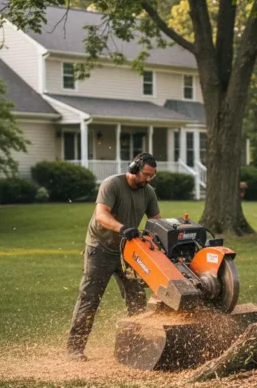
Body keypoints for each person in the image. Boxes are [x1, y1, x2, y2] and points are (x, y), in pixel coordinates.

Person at [67, 152, 161, 361]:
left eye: (151, 176)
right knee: (90, 298)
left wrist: (161, 237)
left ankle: (134, 345)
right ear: (134, 168)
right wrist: (123, 228)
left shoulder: (148, 192)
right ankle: (75, 348)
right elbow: (101, 215)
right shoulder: (112, 184)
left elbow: (156, 220)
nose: (148, 179)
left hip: (128, 251)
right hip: (100, 248)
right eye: (145, 174)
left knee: (136, 297)